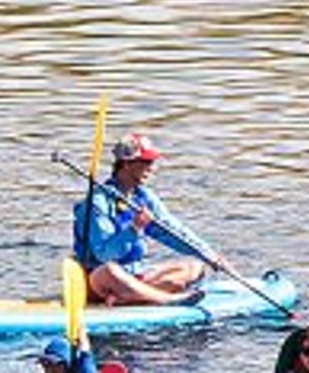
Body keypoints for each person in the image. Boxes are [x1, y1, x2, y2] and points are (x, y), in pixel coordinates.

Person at [73, 132, 208, 308]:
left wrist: (207, 253)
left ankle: (130, 297)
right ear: (127, 164)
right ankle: (165, 299)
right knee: (110, 270)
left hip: (136, 274)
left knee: (194, 267)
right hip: (99, 280)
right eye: (146, 163)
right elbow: (105, 254)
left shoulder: (144, 197)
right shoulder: (98, 202)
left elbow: (172, 231)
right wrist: (134, 229)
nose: (152, 168)